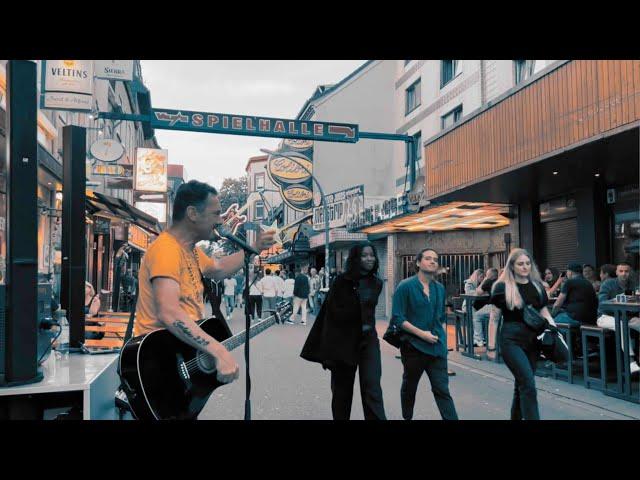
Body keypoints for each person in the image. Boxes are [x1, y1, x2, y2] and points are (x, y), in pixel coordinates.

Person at [133, 180, 274, 391]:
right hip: (160, 362)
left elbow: (218, 268)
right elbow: (169, 312)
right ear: (192, 213)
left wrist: (253, 248)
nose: (220, 220)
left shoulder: (189, 250)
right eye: (215, 214)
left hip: (180, 354)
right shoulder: (166, 250)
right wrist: (218, 350)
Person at [301, 242, 386, 420]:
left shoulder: (376, 283)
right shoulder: (342, 281)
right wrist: (329, 352)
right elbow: (330, 315)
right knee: (342, 393)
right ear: (356, 258)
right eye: (364, 255)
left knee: (372, 389)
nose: (369, 259)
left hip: (368, 341)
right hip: (344, 342)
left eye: (372, 255)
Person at [390, 247, 458, 421]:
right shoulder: (405, 286)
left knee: (442, 390)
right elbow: (398, 318)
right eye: (428, 258)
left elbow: (440, 317)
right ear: (418, 263)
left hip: (437, 348)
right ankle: (407, 417)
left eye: (435, 259)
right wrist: (422, 334)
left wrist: (436, 337)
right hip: (413, 347)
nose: (433, 261)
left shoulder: (439, 288)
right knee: (410, 387)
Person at [490, 248, 556, 420]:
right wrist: (490, 347)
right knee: (528, 384)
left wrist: (553, 326)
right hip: (511, 340)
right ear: (512, 266)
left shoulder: (537, 285)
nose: (525, 267)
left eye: (527, 263)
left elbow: (543, 310)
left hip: (533, 340)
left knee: (521, 385)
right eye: (520, 264)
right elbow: (494, 318)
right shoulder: (501, 287)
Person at [596, 263, 640, 374]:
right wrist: (619, 298)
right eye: (621, 271)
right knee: (620, 324)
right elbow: (602, 303)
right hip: (605, 317)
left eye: (626, 271)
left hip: (626, 316)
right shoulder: (608, 283)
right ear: (616, 272)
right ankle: (631, 362)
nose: (624, 274)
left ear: (630, 273)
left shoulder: (633, 284)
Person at [551, 263, 598, 328]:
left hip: (575, 319)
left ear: (570, 272)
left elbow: (557, 304)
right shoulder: (588, 283)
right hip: (590, 319)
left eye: (567, 271)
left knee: (551, 323)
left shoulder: (569, 282)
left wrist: (552, 315)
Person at [473, 267, 499, 348]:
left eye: (487, 274)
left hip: (495, 308)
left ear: (490, 275)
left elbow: (478, 292)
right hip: (502, 309)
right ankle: (486, 338)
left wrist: (484, 280)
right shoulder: (499, 281)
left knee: (476, 315)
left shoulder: (488, 281)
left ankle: (479, 339)